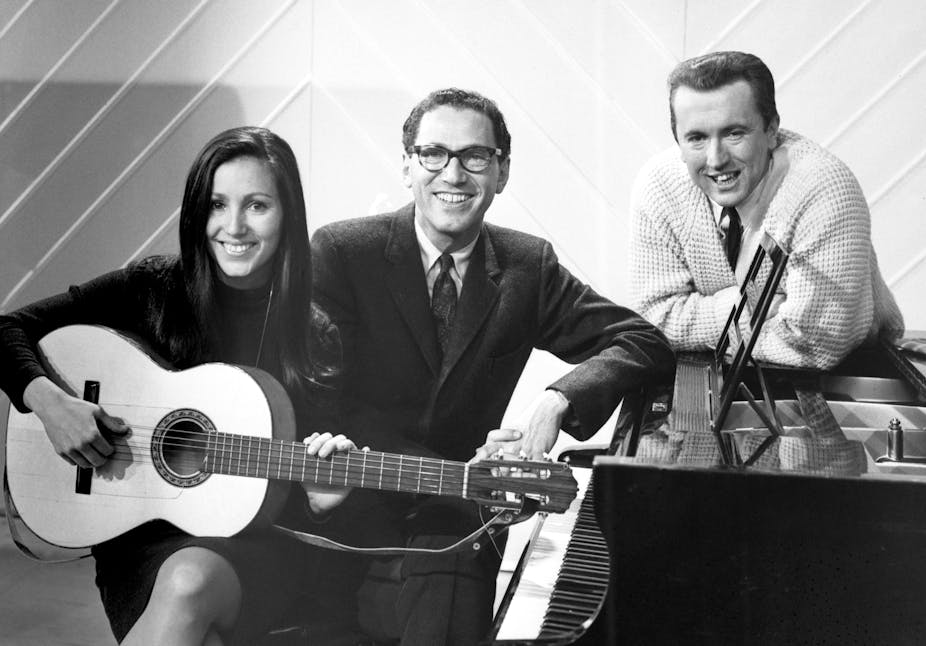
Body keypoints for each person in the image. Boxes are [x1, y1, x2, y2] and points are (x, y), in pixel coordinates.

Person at [309, 87, 675, 645]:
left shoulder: (527, 266)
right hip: (352, 500)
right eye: (434, 153)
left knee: (454, 573)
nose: (453, 174)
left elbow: (641, 340)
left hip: (458, 519)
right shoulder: (342, 252)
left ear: (501, 171)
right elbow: (325, 403)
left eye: (474, 157)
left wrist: (558, 399)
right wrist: (459, 472)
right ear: (407, 165)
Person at [0, 126, 355, 645]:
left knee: (190, 582)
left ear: (288, 216)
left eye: (257, 205)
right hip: (136, 539)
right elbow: (7, 329)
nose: (233, 227)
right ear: (196, 214)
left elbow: (294, 495)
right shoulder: (151, 289)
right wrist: (51, 404)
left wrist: (318, 499)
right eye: (217, 205)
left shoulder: (314, 335)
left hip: (253, 547)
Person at [630, 50, 903, 370]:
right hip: (717, 367)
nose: (716, 159)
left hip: (849, 374)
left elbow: (817, 344)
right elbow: (654, 319)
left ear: (771, 129)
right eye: (697, 138)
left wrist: (701, 320)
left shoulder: (825, 188)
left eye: (734, 133)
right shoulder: (659, 186)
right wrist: (755, 309)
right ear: (678, 140)